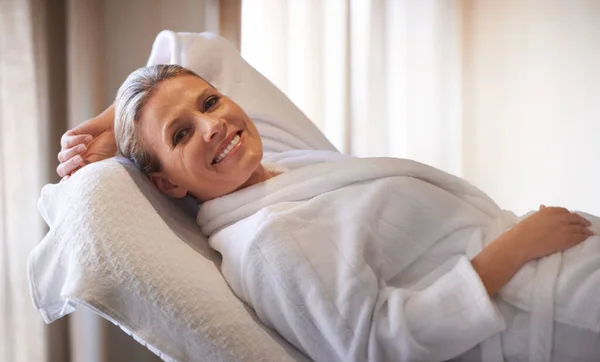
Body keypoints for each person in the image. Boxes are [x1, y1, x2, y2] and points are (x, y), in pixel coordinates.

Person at [57, 64, 600, 362]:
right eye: (181, 134)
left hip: (560, 263)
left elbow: (197, 44)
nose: (213, 125)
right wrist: (516, 248)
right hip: (544, 310)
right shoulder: (268, 241)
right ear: (167, 181)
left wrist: (112, 120)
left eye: (209, 101)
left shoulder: (280, 164)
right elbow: (374, 346)